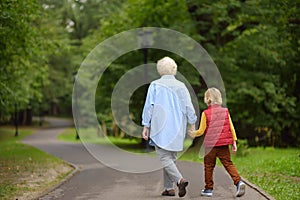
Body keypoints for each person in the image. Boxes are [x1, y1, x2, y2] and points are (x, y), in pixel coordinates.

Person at [142, 56, 197, 197]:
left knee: (164, 157)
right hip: (178, 126)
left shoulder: (155, 85)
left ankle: (179, 180)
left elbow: (149, 107)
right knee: (170, 157)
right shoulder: (182, 86)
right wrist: (192, 123)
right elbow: (188, 106)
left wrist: (146, 125)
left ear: (160, 70)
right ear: (174, 69)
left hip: (160, 126)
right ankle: (169, 188)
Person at [189, 87, 246, 197]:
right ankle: (239, 182)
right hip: (224, 145)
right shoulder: (225, 111)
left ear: (207, 99)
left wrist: (193, 133)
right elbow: (231, 127)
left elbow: (201, 131)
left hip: (210, 146)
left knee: (209, 166)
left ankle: (208, 189)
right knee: (228, 163)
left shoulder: (205, 113)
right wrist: (234, 141)